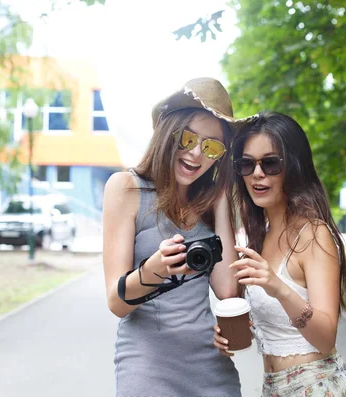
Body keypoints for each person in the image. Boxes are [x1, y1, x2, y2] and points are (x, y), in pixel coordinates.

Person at [103, 77, 256, 397]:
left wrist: (222, 200)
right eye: (188, 138)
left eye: (213, 147)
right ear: (168, 133)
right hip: (147, 368)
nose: (197, 153)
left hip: (211, 368)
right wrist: (155, 269)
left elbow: (228, 290)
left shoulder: (211, 202)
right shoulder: (126, 189)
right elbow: (117, 303)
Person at [214, 111, 346, 396]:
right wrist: (235, 331)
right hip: (273, 388)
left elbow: (325, 337)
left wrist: (278, 288)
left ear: (294, 167)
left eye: (270, 163)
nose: (257, 173)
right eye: (247, 164)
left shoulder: (313, 234)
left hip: (316, 386)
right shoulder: (259, 236)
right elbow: (275, 327)